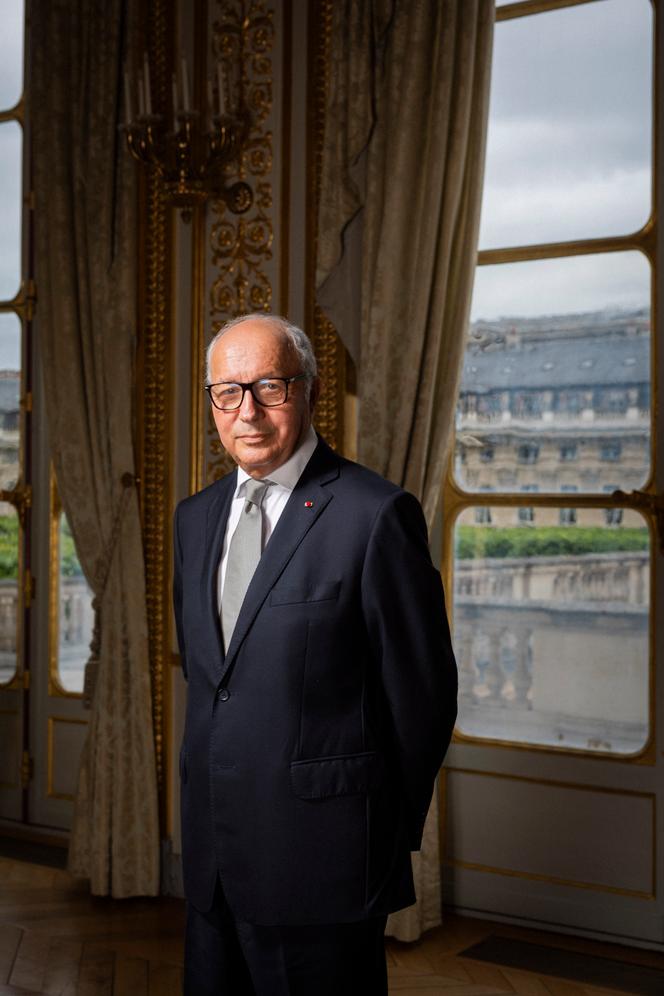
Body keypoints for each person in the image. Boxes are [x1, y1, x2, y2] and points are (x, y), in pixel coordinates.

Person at [173, 313, 457, 995]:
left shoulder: (374, 514)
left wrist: (373, 838)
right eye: (227, 392)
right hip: (214, 859)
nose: (247, 411)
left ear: (309, 390)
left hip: (324, 863)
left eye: (269, 387)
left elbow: (423, 700)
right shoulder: (195, 517)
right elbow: (213, 679)